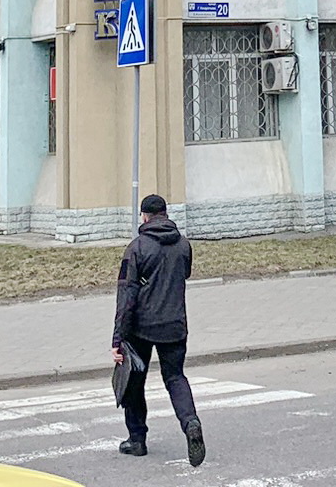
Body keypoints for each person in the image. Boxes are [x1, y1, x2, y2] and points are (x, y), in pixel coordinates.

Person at [112, 193, 205, 467]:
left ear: (144, 216)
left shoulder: (137, 248)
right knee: (175, 377)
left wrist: (118, 338)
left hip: (141, 327)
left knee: (134, 382)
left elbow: (126, 296)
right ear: (165, 214)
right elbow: (185, 274)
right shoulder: (183, 245)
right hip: (175, 324)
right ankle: (190, 422)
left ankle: (137, 440)